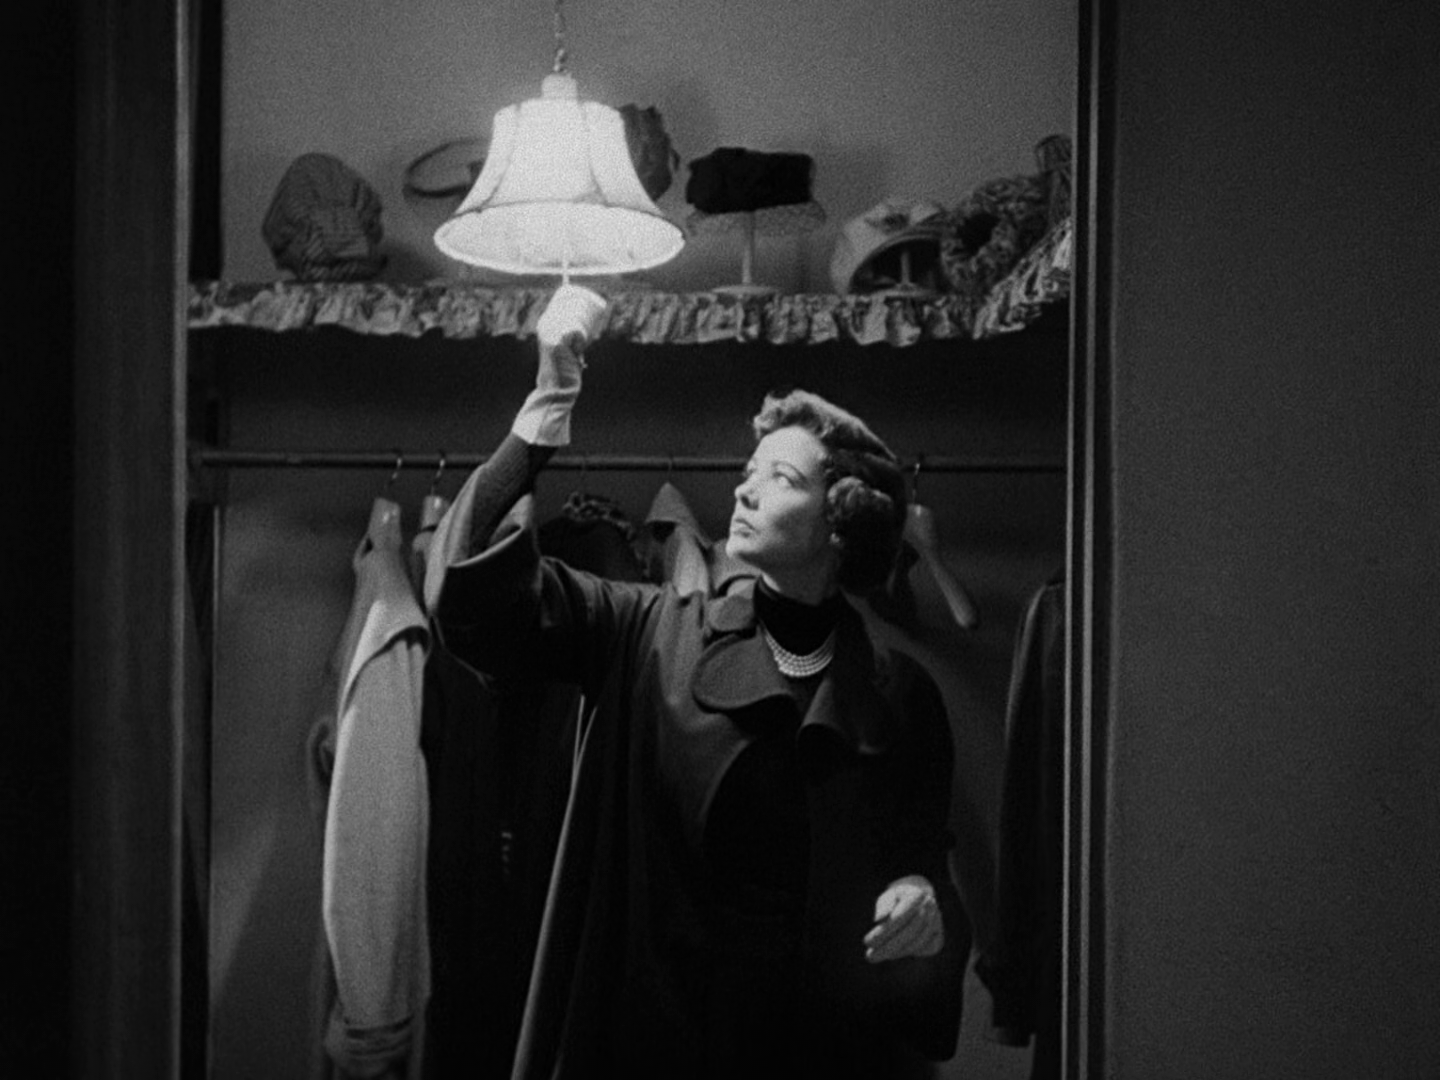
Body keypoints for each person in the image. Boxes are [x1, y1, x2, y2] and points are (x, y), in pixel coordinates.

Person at [424, 284, 971, 1079]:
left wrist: (922, 897)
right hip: (659, 1047)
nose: (743, 488)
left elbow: (924, 863)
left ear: (841, 520)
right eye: (749, 470)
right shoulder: (649, 633)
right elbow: (468, 596)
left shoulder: (901, 698)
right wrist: (545, 407)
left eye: (780, 478)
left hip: (828, 1057)